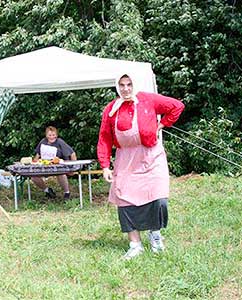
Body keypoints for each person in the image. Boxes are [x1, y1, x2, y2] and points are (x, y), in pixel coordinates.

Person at [97, 73, 184, 260]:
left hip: (151, 156)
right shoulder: (111, 109)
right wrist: (105, 165)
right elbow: (104, 138)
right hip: (126, 160)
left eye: (129, 84)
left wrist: (162, 124)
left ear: (134, 84)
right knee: (125, 200)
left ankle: (155, 236)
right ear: (117, 86)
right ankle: (135, 244)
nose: (126, 89)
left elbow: (177, 106)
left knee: (158, 198)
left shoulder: (147, 100)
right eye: (121, 85)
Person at [32, 126, 77, 199]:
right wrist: (34, 164)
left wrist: (73, 168)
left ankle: (67, 193)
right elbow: (37, 155)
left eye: (53, 135)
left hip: (58, 167)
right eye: (49, 135)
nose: (52, 137)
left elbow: (72, 154)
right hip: (45, 166)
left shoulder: (60, 142)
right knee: (33, 177)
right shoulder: (43, 142)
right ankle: (47, 191)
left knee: (61, 174)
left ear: (56, 135)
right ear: (46, 135)